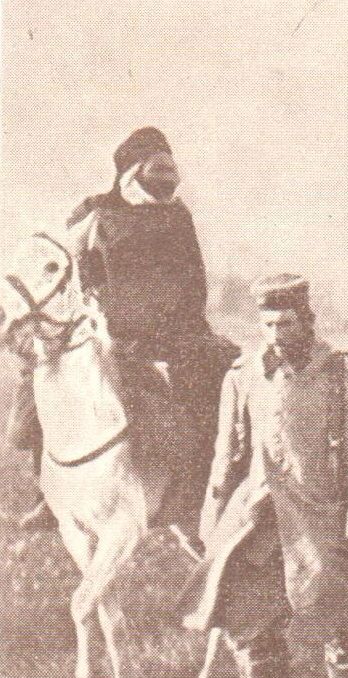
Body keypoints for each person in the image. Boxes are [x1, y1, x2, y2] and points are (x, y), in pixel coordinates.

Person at [181, 275, 348, 678]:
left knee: (338, 617)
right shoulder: (242, 375)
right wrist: (213, 522)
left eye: (287, 324)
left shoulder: (343, 374)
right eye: (269, 324)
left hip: (322, 515)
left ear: (308, 322)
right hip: (257, 519)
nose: (277, 335)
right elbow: (226, 455)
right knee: (245, 617)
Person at [14, 127, 238, 537]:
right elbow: (68, 267)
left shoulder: (178, 215)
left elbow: (194, 276)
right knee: (45, 385)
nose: (166, 181)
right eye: (157, 172)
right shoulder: (96, 213)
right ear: (132, 172)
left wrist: (185, 324)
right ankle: (50, 494)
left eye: (170, 172)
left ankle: (200, 488)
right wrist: (92, 308)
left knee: (220, 381)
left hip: (174, 332)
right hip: (110, 329)